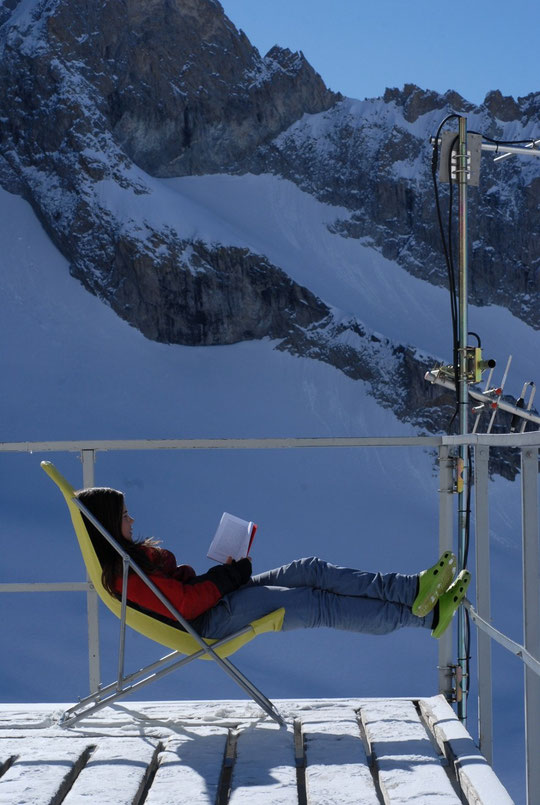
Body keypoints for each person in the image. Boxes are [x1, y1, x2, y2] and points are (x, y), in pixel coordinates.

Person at [75, 487, 471, 642]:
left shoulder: (131, 562)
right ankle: (427, 618)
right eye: (125, 515)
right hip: (208, 623)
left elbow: (184, 593)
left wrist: (225, 575)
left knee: (310, 569)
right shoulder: (125, 577)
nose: (132, 520)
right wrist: (229, 576)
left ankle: (412, 590)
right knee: (315, 603)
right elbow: (184, 606)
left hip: (213, 604)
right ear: (109, 524)